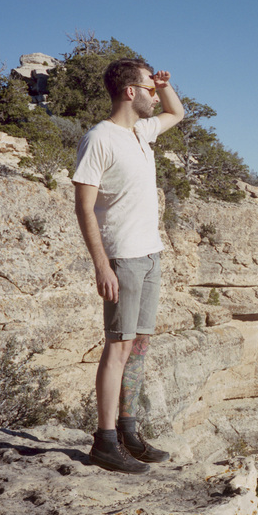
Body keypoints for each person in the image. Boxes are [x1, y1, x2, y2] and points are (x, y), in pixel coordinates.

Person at [73, 58, 185, 474]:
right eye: (149, 89)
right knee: (118, 348)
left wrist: (164, 84)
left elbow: (178, 112)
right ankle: (104, 442)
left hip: (150, 255)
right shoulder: (99, 138)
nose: (156, 95)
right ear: (129, 92)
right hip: (122, 258)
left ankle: (128, 431)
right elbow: (83, 207)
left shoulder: (141, 131)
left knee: (139, 346)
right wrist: (102, 266)